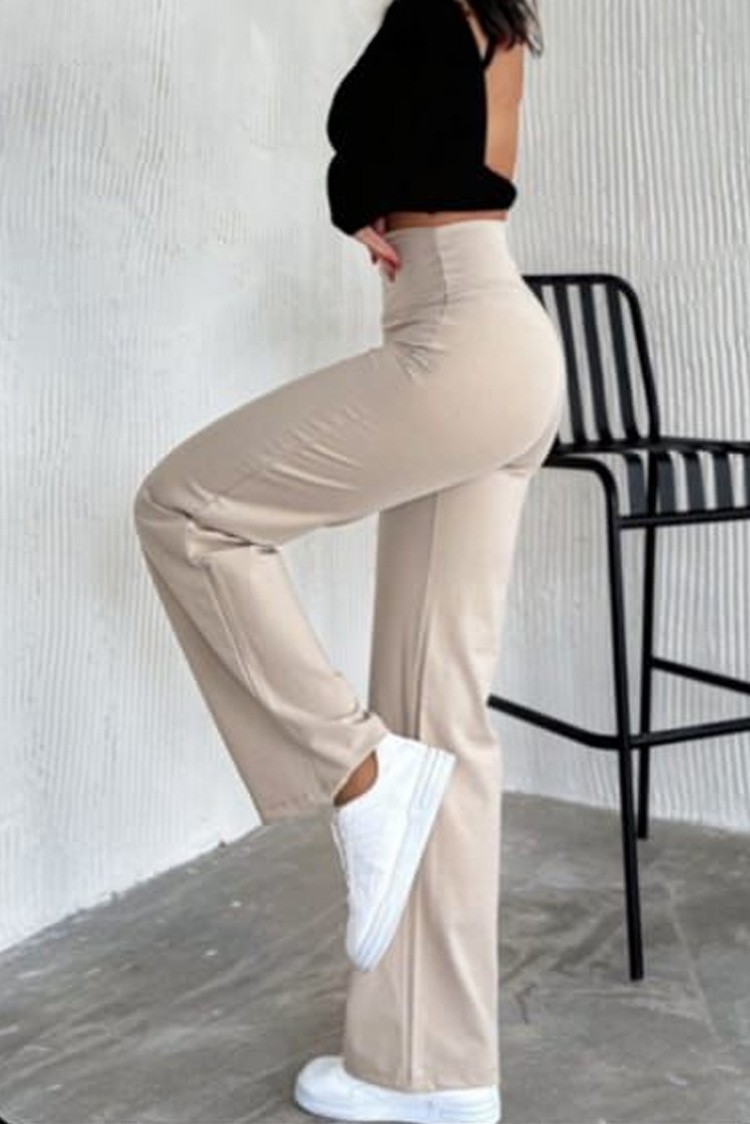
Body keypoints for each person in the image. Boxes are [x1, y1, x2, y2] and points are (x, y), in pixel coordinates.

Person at [132, 0, 561, 1120]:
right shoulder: (500, 18)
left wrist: (353, 200)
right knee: (439, 718)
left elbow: (369, 135)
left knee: (186, 511)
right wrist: (368, 198)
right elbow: (441, 156)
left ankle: (357, 770)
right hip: (502, 335)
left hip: (455, 334)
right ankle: (429, 1069)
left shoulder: (430, 7)